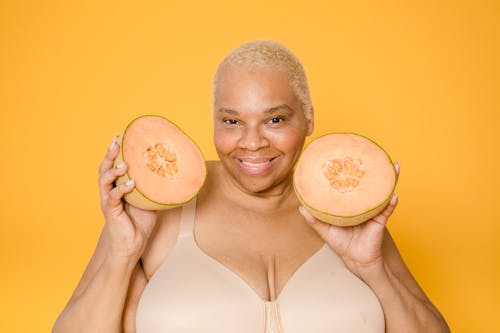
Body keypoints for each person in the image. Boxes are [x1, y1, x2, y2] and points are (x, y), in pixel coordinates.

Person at [53, 40, 450, 333]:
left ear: (309, 119)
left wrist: (373, 270)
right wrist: (122, 254)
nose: (252, 142)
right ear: (213, 122)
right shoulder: (152, 213)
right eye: (231, 121)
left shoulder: (349, 213)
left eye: (275, 120)